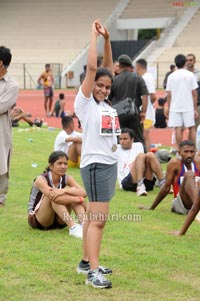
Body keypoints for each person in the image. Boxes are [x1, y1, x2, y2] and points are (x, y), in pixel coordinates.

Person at [74, 19, 119, 289]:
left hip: (108, 164)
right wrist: (92, 35)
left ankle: (85, 261)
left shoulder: (105, 102)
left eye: (106, 86)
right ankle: (93, 272)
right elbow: (94, 68)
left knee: (92, 218)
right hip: (96, 166)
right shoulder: (86, 102)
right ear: (90, 85)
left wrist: (107, 39)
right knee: (99, 222)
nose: (103, 89)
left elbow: (107, 70)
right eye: (98, 85)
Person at [139, 140, 200, 235]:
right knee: (189, 175)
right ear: (179, 153)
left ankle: (197, 209)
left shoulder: (198, 162)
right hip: (181, 203)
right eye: (186, 152)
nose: (189, 155)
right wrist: (151, 207)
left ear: (195, 152)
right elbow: (166, 188)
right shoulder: (175, 163)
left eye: (192, 152)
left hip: (196, 204)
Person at [28, 151, 87, 238]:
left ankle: (85, 225)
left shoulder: (67, 178)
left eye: (65, 164)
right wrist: (79, 199)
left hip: (60, 220)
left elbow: (83, 192)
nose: (63, 166)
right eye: (59, 163)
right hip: (40, 221)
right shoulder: (41, 179)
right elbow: (54, 197)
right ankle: (73, 227)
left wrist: (64, 191)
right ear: (51, 166)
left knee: (71, 191)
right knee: (52, 195)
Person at [109, 53, 148, 151]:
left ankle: (122, 162)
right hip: (134, 113)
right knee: (139, 140)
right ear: (130, 65)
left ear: (120, 65)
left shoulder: (115, 80)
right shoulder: (138, 77)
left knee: (120, 140)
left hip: (119, 114)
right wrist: (143, 112)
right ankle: (143, 160)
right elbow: (145, 96)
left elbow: (109, 99)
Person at [117, 128, 165, 196]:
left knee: (150, 155)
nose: (122, 141)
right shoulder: (117, 149)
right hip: (127, 182)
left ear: (132, 139)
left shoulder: (138, 145)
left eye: (125, 139)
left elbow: (144, 162)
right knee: (141, 155)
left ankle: (163, 183)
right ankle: (140, 185)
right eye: (120, 139)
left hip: (145, 182)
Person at [166, 54, 198, 151]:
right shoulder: (190, 75)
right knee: (191, 127)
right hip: (188, 106)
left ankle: (180, 150)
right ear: (185, 62)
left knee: (177, 129)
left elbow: (169, 94)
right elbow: (194, 93)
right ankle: (192, 149)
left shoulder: (171, 76)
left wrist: (169, 107)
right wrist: (195, 108)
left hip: (175, 107)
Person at [0, 46, 18, 207]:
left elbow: (1, 106)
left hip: (1, 129)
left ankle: (1, 197)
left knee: (2, 160)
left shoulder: (11, 85)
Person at [135, 58, 156, 151]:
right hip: (146, 111)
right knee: (143, 134)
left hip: (147, 113)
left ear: (139, 67)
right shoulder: (145, 77)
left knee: (145, 134)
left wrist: (149, 106)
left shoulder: (147, 78)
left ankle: (147, 154)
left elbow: (153, 95)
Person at [186, 53, 200, 130]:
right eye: (187, 60)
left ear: (195, 61)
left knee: (195, 128)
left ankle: (194, 142)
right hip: (185, 105)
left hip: (197, 105)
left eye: (191, 60)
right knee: (180, 128)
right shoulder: (183, 73)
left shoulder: (199, 73)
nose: (189, 61)